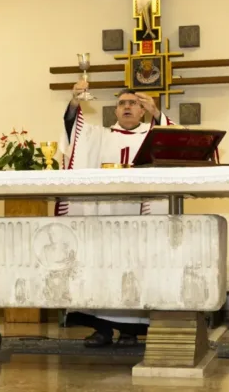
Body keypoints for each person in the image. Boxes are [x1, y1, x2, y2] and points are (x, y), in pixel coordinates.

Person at [56, 80, 174, 347]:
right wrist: (74, 102)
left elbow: (177, 143)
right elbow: (73, 132)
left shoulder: (153, 135)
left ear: (143, 110)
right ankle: (102, 329)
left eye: (133, 103)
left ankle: (131, 330)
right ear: (116, 110)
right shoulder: (99, 136)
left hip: (140, 221)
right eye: (122, 103)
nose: (127, 107)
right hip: (105, 219)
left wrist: (158, 114)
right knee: (103, 267)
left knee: (136, 267)